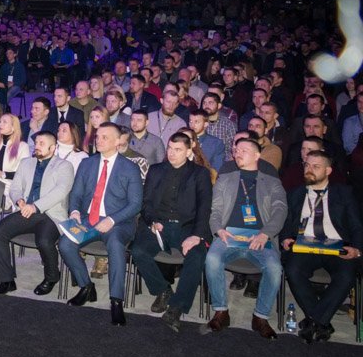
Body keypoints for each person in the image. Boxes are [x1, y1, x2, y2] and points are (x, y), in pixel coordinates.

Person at [203, 137, 288, 339]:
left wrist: (265, 233)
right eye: (235, 150)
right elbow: (214, 211)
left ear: (258, 155)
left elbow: (280, 210)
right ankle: (221, 311)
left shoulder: (272, 182)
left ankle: (260, 316)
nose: (237, 153)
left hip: (260, 237)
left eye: (243, 150)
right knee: (212, 259)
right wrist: (218, 230)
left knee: (275, 268)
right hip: (229, 234)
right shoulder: (226, 178)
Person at [60, 121, 143, 326]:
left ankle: (116, 301)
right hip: (89, 219)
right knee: (65, 244)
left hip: (119, 221)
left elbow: (135, 204)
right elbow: (77, 193)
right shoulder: (87, 163)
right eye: (98, 136)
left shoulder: (130, 168)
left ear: (117, 142)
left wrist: (112, 219)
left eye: (105, 137)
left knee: (115, 245)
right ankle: (86, 287)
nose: (99, 140)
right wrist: (75, 211)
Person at [129, 132, 212, 332]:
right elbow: (146, 203)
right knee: (138, 250)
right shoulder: (156, 170)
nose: (172, 153)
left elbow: (204, 208)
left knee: (197, 255)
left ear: (189, 151)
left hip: (188, 227)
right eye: (169, 148)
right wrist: (152, 221)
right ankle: (163, 290)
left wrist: (197, 235)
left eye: (178, 150)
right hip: (160, 225)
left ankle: (176, 307)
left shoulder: (199, 173)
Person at [278, 150, 363, 343]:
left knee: (346, 275)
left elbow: (357, 225)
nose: (309, 169)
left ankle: (314, 321)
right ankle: (322, 323)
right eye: (307, 165)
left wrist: (357, 248)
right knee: (293, 269)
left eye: (316, 167)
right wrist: (285, 239)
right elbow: (286, 223)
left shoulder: (344, 193)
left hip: (337, 246)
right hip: (306, 245)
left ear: (328, 170)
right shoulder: (295, 194)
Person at [0, 130, 76, 296]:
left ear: (53, 147)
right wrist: (19, 200)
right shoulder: (26, 163)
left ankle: (52, 276)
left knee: (44, 241)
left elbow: (61, 191)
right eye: (36, 143)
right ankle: (7, 280)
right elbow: (15, 187)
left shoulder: (64, 166)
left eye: (42, 144)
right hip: (26, 210)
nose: (37, 147)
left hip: (50, 214)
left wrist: (35, 206)